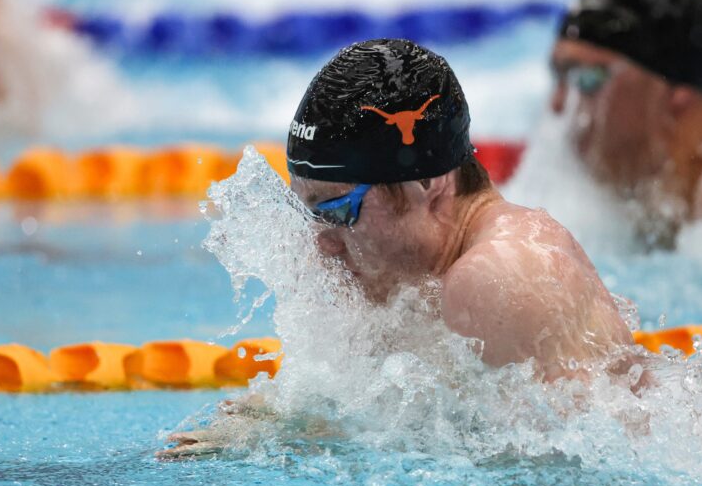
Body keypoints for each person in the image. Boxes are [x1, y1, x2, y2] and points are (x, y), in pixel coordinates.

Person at [159, 38, 634, 460]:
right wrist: (287, 422)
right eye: (308, 215)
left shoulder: (497, 276)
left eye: (338, 211)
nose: (323, 246)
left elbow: (567, 474)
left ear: (426, 183)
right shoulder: (432, 273)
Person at [549, 0, 702, 239]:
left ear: (677, 93)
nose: (559, 103)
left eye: (587, 79)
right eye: (558, 77)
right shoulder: (643, 189)